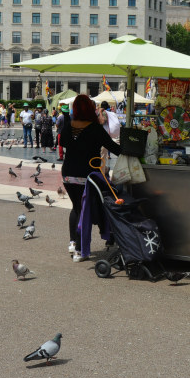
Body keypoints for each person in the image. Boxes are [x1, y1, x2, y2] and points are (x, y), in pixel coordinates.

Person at [60, 95, 123, 262]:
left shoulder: (68, 126)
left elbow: (63, 143)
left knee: (76, 206)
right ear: (89, 108)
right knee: (84, 209)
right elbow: (115, 149)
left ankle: (73, 242)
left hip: (67, 173)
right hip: (86, 174)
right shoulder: (94, 128)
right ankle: (80, 250)